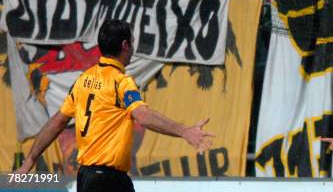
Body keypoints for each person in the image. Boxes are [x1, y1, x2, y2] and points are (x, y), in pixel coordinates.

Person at [15, 20, 215, 192]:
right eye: (133, 43)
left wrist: (30, 161)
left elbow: (57, 122)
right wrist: (184, 131)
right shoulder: (122, 82)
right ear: (125, 45)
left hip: (85, 177)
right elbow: (143, 116)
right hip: (109, 179)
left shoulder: (84, 80)